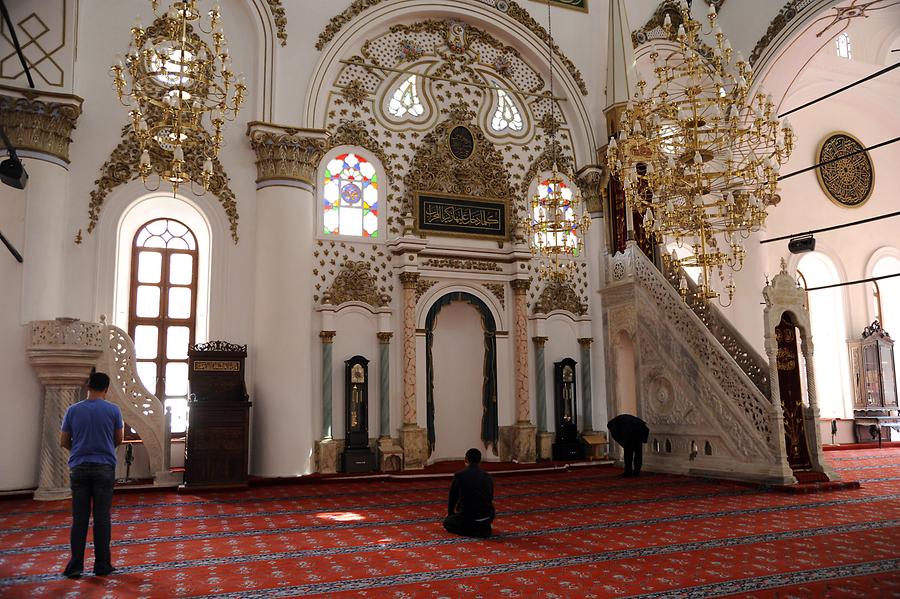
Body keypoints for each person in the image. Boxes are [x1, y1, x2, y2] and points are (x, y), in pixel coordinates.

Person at [60, 372, 123, 578]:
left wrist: (80, 451)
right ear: (107, 388)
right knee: (102, 518)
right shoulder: (113, 410)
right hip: (104, 467)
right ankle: (102, 565)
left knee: (79, 519)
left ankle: (76, 566)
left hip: (79, 467)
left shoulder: (73, 410)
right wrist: (103, 449)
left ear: (88, 386)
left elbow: (64, 440)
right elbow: (118, 439)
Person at [443, 448, 495, 538]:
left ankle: (468, 531)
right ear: (480, 461)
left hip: (467, 518)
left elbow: (453, 498)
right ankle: (481, 529)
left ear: (466, 460)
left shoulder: (459, 475)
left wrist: (450, 514)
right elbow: (490, 497)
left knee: (447, 523)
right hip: (486, 518)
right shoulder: (487, 476)